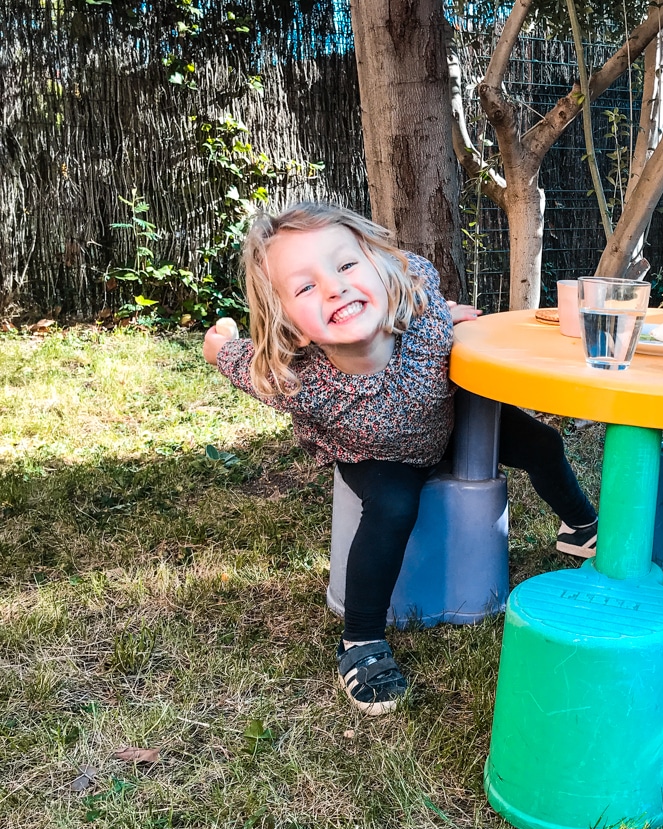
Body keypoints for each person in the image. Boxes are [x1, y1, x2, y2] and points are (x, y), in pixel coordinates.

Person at [203, 203, 598, 715]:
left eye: (346, 266)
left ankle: (581, 526)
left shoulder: (423, 310)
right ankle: (360, 640)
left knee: (542, 442)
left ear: (382, 275)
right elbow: (239, 361)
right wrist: (220, 346)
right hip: (373, 453)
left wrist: (447, 311)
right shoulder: (293, 377)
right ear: (293, 329)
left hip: (452, 424)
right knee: (392, 506)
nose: (333, 287)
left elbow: (415, 275)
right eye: (304, 287)